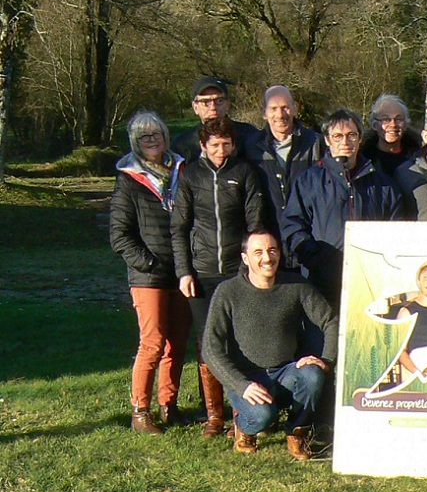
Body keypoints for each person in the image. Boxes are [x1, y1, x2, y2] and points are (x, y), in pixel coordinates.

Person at [203, 231, 338, 460]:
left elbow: (330, 321)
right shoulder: (228, 291)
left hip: (286, 371)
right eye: (258, 252)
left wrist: (326, 361)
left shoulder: (296, 285)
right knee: (261, 417)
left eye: (272, 250)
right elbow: (210, 347)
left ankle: (297, 432)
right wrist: (241, 384)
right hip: (247, 378)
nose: (267, 257)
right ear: (245, 258)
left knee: (313, 376)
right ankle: (244, 428)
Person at [171, 117, 267, 437]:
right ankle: (214, 415)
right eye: (214, 145)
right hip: (201, 272)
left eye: (226, 144)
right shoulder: (191, 176)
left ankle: (242, 411)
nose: (221, 150)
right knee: (207, 344)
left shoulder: (245, 173)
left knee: (239, 341)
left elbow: (255, 225)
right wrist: (184, 271)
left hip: (236, 272)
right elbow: (180, 227)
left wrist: (251, 267)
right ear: (203, 146)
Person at [110, 110, 193, 434]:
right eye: (144, 136)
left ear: (165, 136)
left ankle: (168, 405)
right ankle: (140, 411)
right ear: (135, 142)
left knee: (177, 343)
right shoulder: (128, 180)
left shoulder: (181, 170)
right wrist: (147, 263)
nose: (151, 140)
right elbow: (119, 235)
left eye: (156, 134)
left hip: (183, 270)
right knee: (153, 342)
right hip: (148, 276)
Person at [282, 109, 405, 306]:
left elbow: (397, 228)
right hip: (322, 281)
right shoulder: (309, 181)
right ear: (328, 140)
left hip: (371, 281)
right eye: (338, 136)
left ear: (360, 139)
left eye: (351, 135)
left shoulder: (383, 184)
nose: (345, 142)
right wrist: (315, 259)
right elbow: (293, 226)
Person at [245, 85, 326, 249]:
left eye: (285, 107)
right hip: (269, 241)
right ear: (264, 113)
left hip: (310, 239)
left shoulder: (316, 144)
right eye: (273, 108)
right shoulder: (251, 147)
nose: (280, 115)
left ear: (295, 108)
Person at [172, 75, 258, 163]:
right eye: (205, 102)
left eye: (219, 101)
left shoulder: (249, 135)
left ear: (228, 104)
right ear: (195, 107)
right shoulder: (182, 145)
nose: (213, 107)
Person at [361, 93, 422, 177]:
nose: (393, 124)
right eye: (386, 119)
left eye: (398, 119)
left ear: (406, 124)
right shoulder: (363, 160)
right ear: (374, 125)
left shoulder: (420, 157)